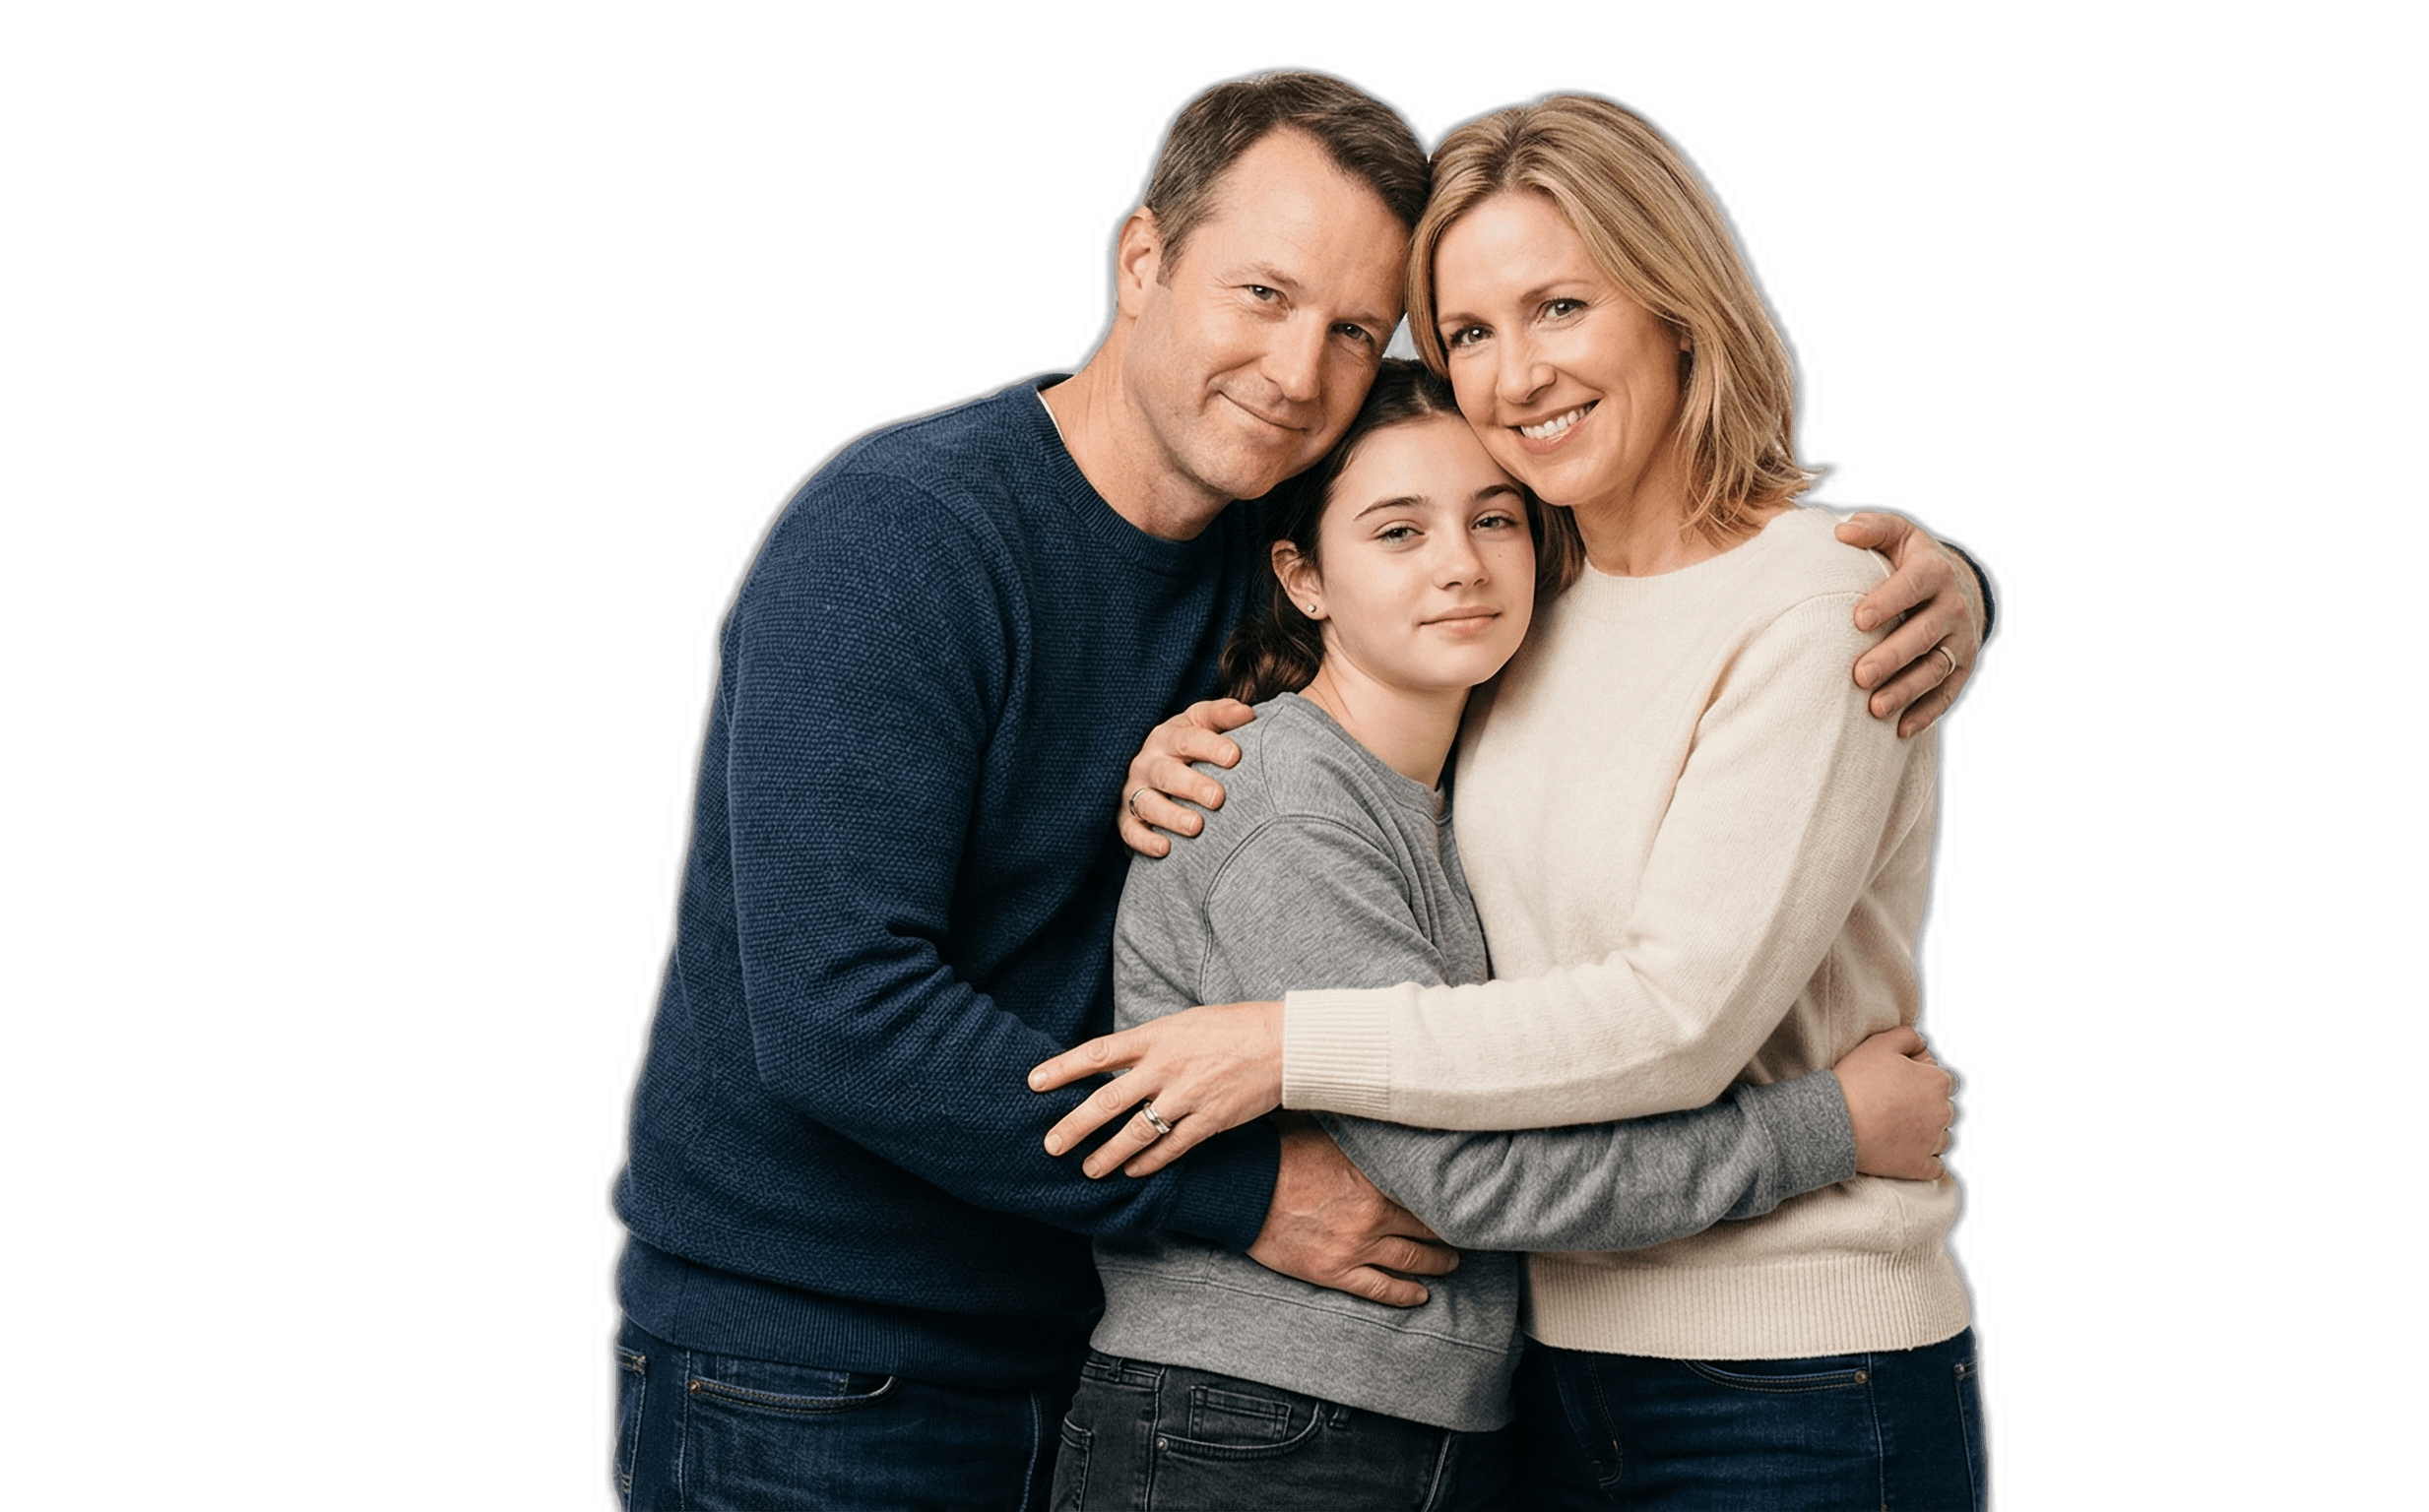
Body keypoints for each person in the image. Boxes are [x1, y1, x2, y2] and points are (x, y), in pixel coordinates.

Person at [607, 69, 1987, 1511]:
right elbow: (842, 1017)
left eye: (1351, 331)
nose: (1296, 370)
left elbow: (1649, 628)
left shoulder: (1315, 562)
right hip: (821, 1360)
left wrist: (1916, 580)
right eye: (1262, 295)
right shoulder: (899, 539)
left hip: (1101, 1339)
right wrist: (1241, 1192)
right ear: (1139, 259)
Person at [1039, 92, 1992, 1508]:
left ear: (1675, 305)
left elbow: (1674, 1018)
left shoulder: (1822, 603)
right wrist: (1185, 756)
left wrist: (1283, 1045)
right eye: (1471, 332)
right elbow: (1351, 788)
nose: (1517, 373)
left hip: (1792, 1369)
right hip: (1538, 1365)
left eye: (1559, 306)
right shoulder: (1531, 620)